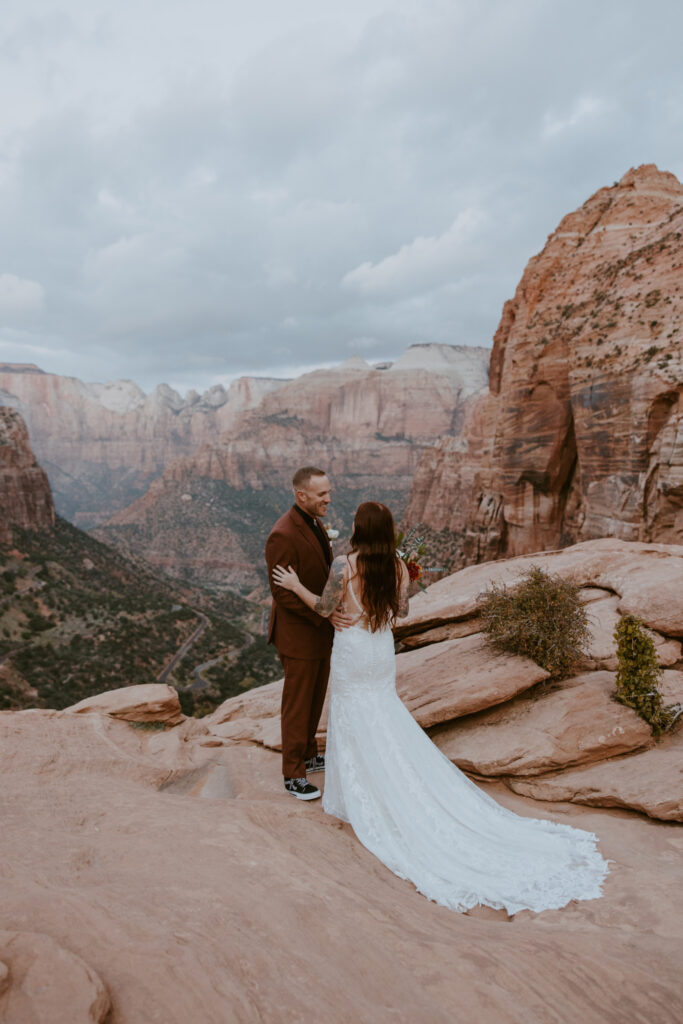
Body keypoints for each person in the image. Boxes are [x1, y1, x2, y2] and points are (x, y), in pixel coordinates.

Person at [272, 500, 609, 914]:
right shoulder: (397, 565)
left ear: (359, 529)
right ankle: (388, 778)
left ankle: (365, 792)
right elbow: (404, 610)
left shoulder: (345, 565)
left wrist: (293, 587)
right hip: (379, 650)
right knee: (382, 712)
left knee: (355, 716)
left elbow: (325, 609)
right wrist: (403, 582)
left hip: (353, 651)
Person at [265, 466, 351, 801]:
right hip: (299, 634)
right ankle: (293, 774)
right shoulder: (282, 534)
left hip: (318, 632)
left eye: (328, 492)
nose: (329, 499)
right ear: (302, 496)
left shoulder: (313, 522)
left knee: (316, 696)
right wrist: (323, 614)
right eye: (322, 494)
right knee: (298, 704)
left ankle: (309, 753)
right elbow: (282, 594)